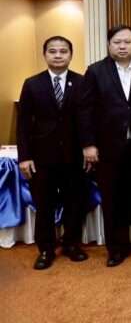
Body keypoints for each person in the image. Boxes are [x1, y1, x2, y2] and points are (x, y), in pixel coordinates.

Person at [79, 25, 131, 267]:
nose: (123, 46)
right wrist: (88, 144)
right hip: (109, 148)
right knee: (113, 199)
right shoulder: (95, 71)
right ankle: (116, 249)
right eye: (117, 42)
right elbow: (85, 111)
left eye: (127, 42)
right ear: (109, 45)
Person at [17, 36, 88, 270]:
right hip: (42, 157)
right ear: (45, 54)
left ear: (71, 54)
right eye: (53, 51)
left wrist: (89, 147)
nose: (58, 55)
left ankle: (71, 244)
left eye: (63, 51)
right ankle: (46, 249)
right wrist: (24, 156)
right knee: (44, 204)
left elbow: (88, 119)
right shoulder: (32, 84)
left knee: (74, 202)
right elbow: (23, 123)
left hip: (74, 156)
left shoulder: (81, 82)